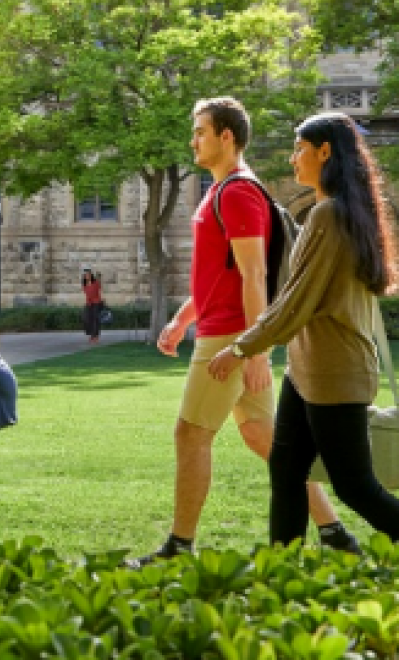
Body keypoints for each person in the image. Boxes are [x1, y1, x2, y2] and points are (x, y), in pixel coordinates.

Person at [131, 97, 357, 566]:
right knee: (262, 436)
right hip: (221, 330)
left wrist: (254, 352)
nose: (193, 140)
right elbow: (221, 275)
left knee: (190, 435)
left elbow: (255, 275)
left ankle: (179, 546)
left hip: (229, 339)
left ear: (226, 136)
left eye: (200, 132)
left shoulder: (238, 193)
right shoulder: (218, 193)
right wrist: (181, 320)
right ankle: (334, 532)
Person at [210, 112, 399, 546]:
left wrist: (242, 348)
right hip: (307, 372)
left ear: (325, 152)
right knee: (287, 469)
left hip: (334, 375)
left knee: (355, 486)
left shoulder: (330, 215)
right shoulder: (337, 214)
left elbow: (296, 302)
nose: (293, 159)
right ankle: (280, 566)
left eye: (299, 149)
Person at [82, 270, 103, 343]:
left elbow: (99, 290)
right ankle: (91, 334)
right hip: (89, 303)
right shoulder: (85, 284)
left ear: (91, 276)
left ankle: (95, 336)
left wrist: (99, 278)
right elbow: (87, 294)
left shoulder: (96, 283)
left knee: (95, 320)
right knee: (87, 319)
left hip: (96, 302)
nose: (87, 276)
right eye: (85, 275)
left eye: (88, 275)